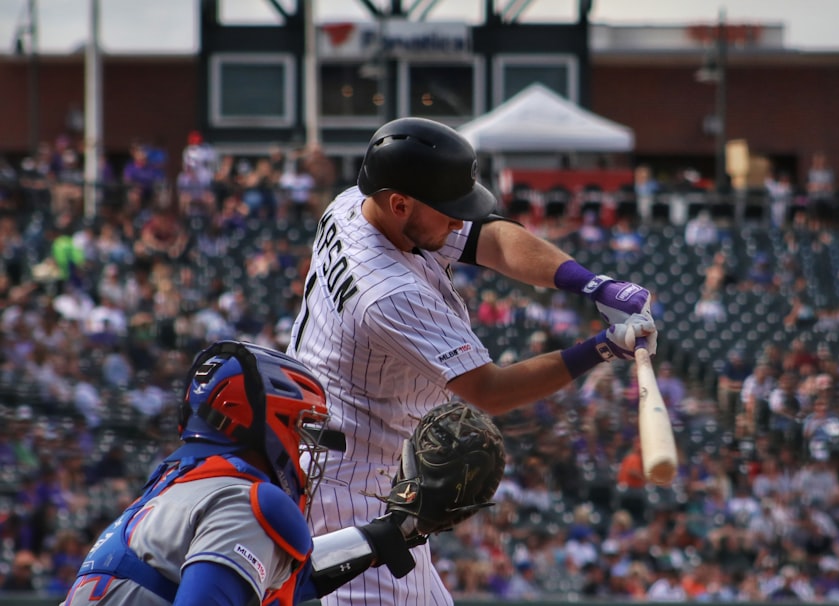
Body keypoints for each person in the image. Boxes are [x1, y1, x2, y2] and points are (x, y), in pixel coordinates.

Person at [285, 117, 657, 605]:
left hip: (340, 465)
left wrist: (592, 284)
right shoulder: (387, 291)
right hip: (346, 488)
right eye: (449, 211)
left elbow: (494, 239)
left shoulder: (355, 204)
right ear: (401, 203)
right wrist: (602, 349)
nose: (460, 221)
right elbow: (491, 391)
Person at [62, 341, 440, 605]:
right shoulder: (244, 500)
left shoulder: (175, 490)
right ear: (264, 420)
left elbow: (285, 576)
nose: (303, 444)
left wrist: (391, 534)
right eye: (298, 426)